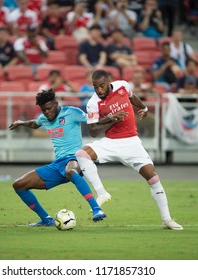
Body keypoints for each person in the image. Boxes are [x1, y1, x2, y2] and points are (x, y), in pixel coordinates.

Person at [75, 69, 183, 230]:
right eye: (95, 87)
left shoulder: (122, 86)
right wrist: (110, 120)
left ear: (109, 82)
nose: (99, 90)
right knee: (82, 154)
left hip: (132, 143)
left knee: (153, 179)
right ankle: (101, 193)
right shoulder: (93, 103)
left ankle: (166, 219)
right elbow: (92, 131)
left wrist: (144, 108)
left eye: (102, 86)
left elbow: (132, 97)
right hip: (111, 143)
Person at [8, 89, 107, 226]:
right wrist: (21, 123)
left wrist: (111, 118)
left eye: (49, 108)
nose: (46, 112)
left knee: (70, 170)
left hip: (74, 159)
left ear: (56, 103)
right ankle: (46, 220)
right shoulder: (44, 118)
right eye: (44, 110)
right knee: (19, 185)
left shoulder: (72, 112)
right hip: (57, 166)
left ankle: (97, 209)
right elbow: (35, 124)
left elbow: (92, 119)